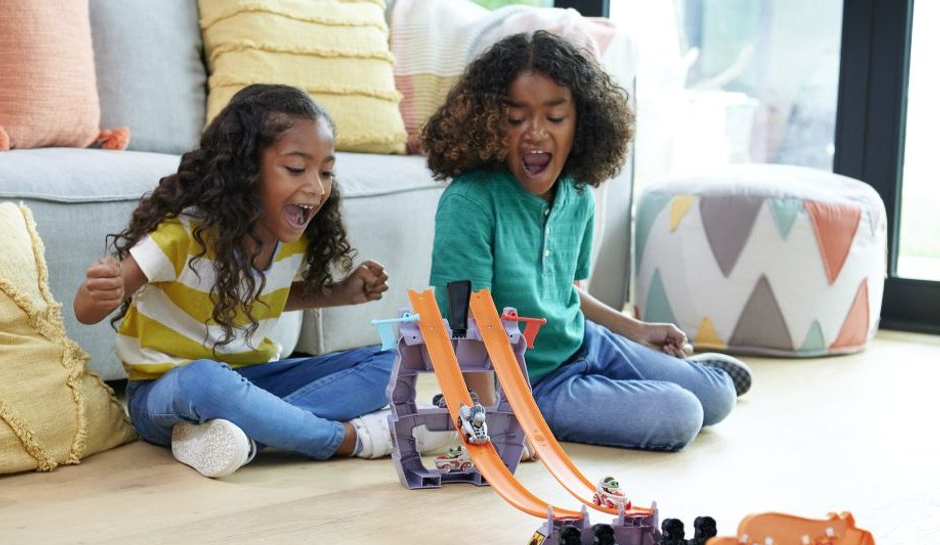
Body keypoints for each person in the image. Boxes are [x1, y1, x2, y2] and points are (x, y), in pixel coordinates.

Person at [423, 31, 752, 453]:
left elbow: (565, 294)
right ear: (488, 123)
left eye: (555, 118)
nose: (535, 133)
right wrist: (491, 419)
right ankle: (623, 388)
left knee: (719, 396)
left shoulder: (577, 195)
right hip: (529, 383)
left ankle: (651, 376)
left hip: (585, 342)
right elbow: (463, 322)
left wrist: (636, 330)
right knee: (681, 414)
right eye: (515, 119)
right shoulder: (469, 203)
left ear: (582, 123)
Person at [74, 84, 396, 478]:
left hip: (253, 381)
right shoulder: (182, 236)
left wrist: (341, 293)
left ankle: (243, 436)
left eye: (326, 172)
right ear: (244, 170)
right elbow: (86, 312)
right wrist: (100, 292)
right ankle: (346, 439)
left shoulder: (293, 238)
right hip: (167, 392)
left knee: (393, 361)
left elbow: (263, 298)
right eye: (297, 169)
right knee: (207, 380)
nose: (316, 187)